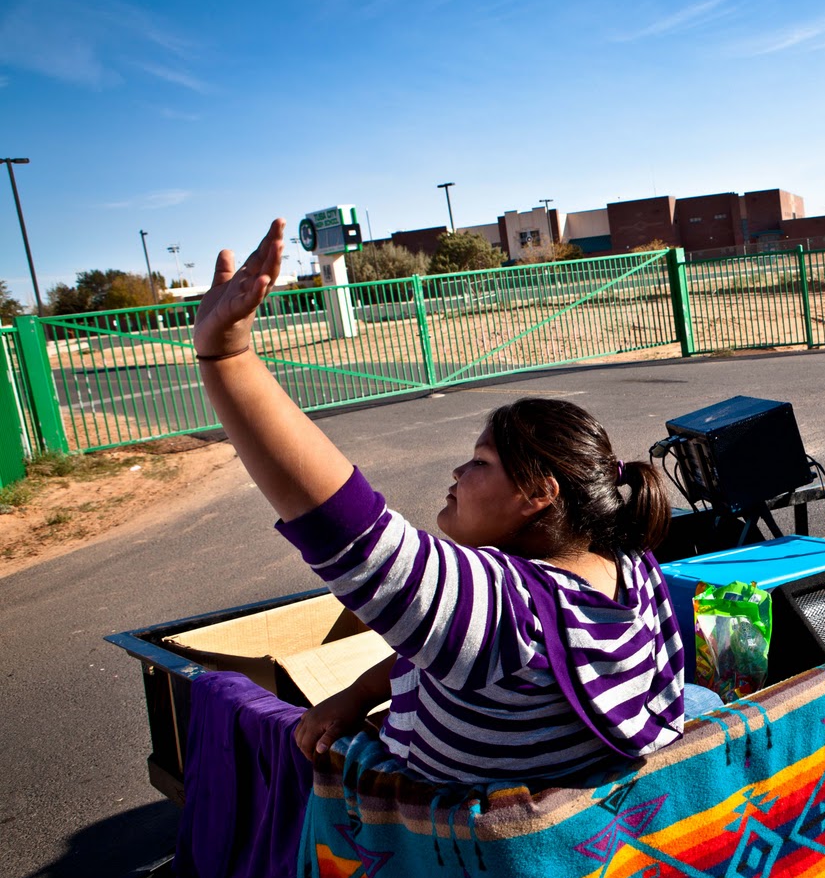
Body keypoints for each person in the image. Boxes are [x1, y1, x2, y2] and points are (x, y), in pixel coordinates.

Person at [192, 219, 685, 783]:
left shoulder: (510, 607)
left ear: (538, 494)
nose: (456, 471)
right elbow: (442, 650)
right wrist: (357, 694)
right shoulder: (627, 567)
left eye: (480, 463)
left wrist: (227, 359)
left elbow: (347, 530)